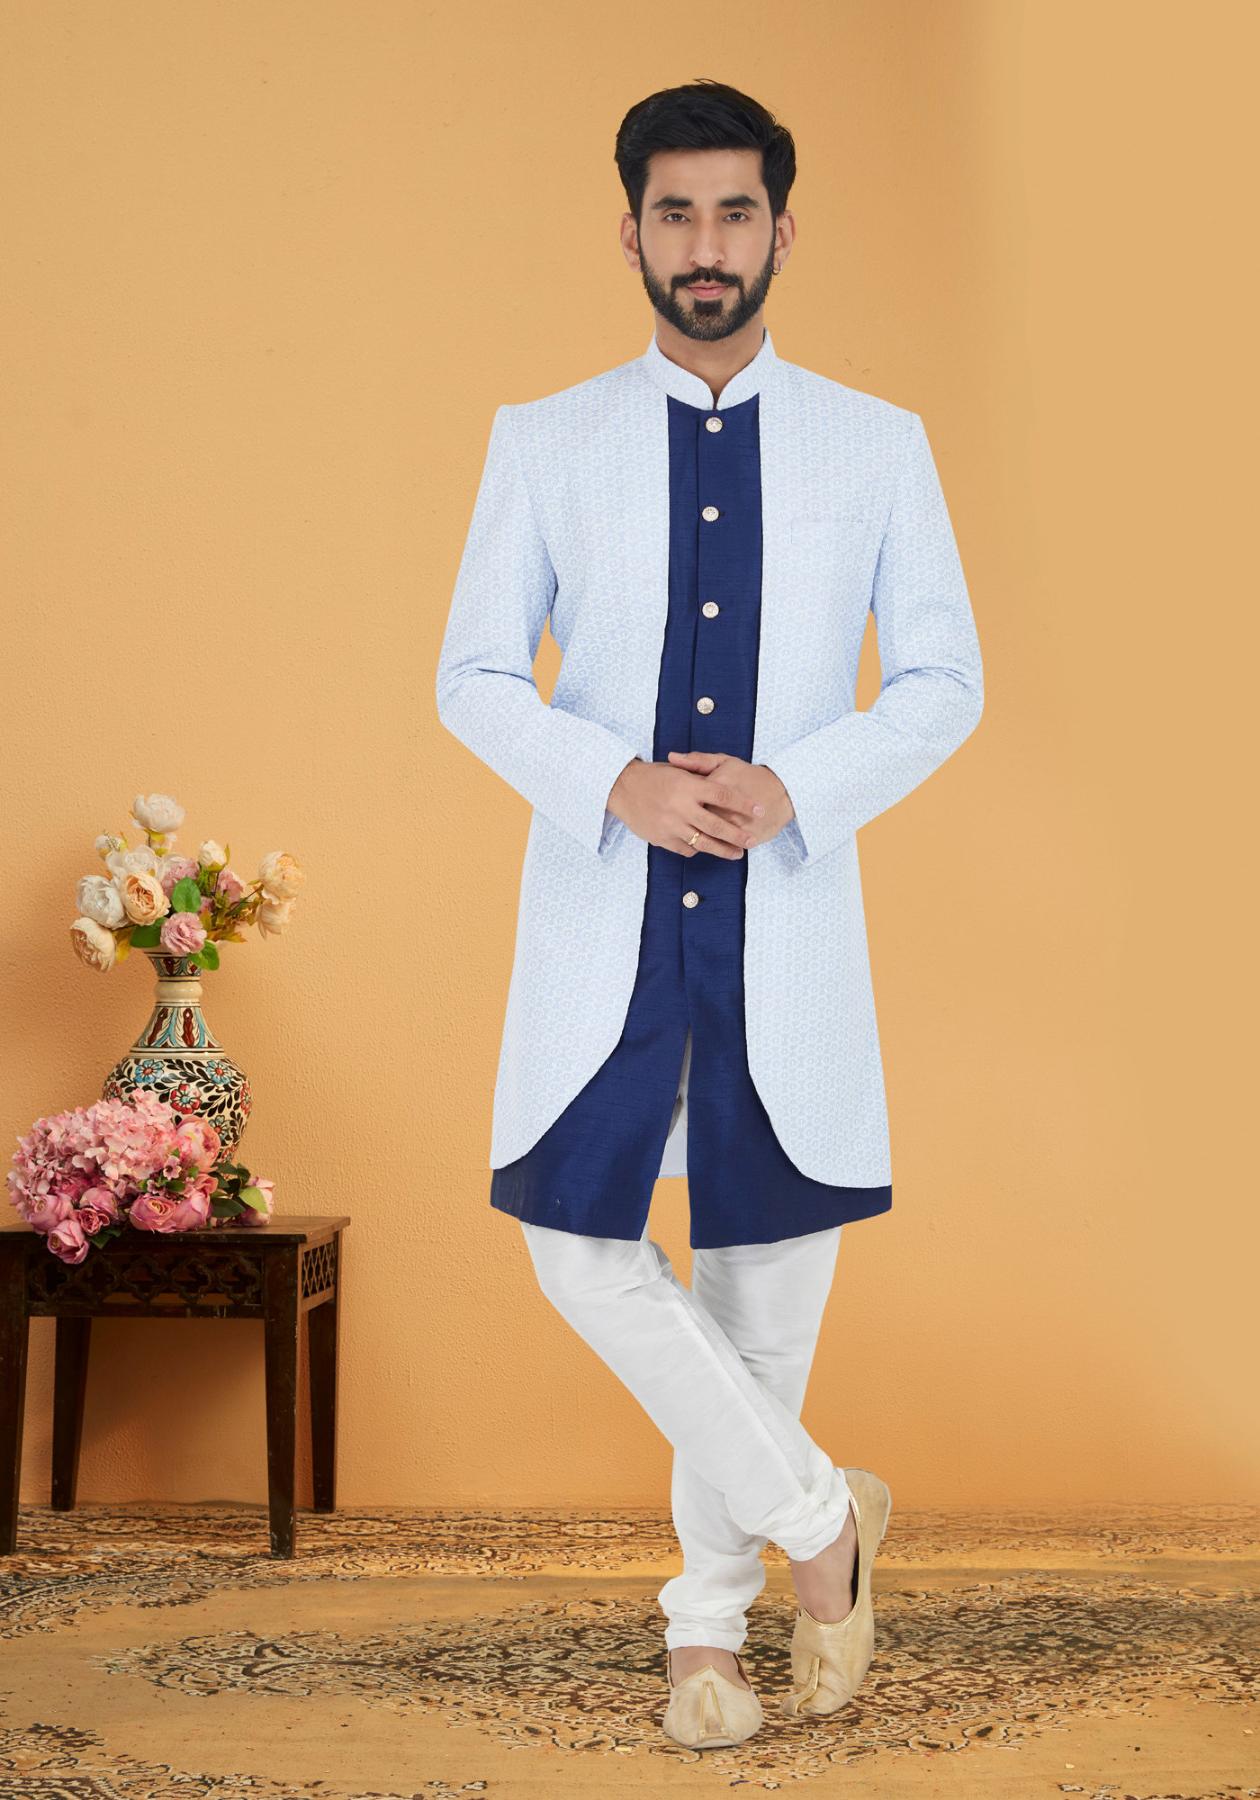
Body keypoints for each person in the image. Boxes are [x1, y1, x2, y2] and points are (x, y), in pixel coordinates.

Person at [435, 78, 983, 1748]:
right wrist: (613, 778)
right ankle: (822, 1529)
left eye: (735, 211)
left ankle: (702, 1639)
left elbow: (944, 682)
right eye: (674, 212)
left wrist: (797, 785)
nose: (706, 243)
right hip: (610, 923)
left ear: (782, 230)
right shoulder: (545, 439)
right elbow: (473, 674)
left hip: (783, 927)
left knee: (760, 1307)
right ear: (631, 234)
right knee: (576, 1247)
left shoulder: (879, 445)